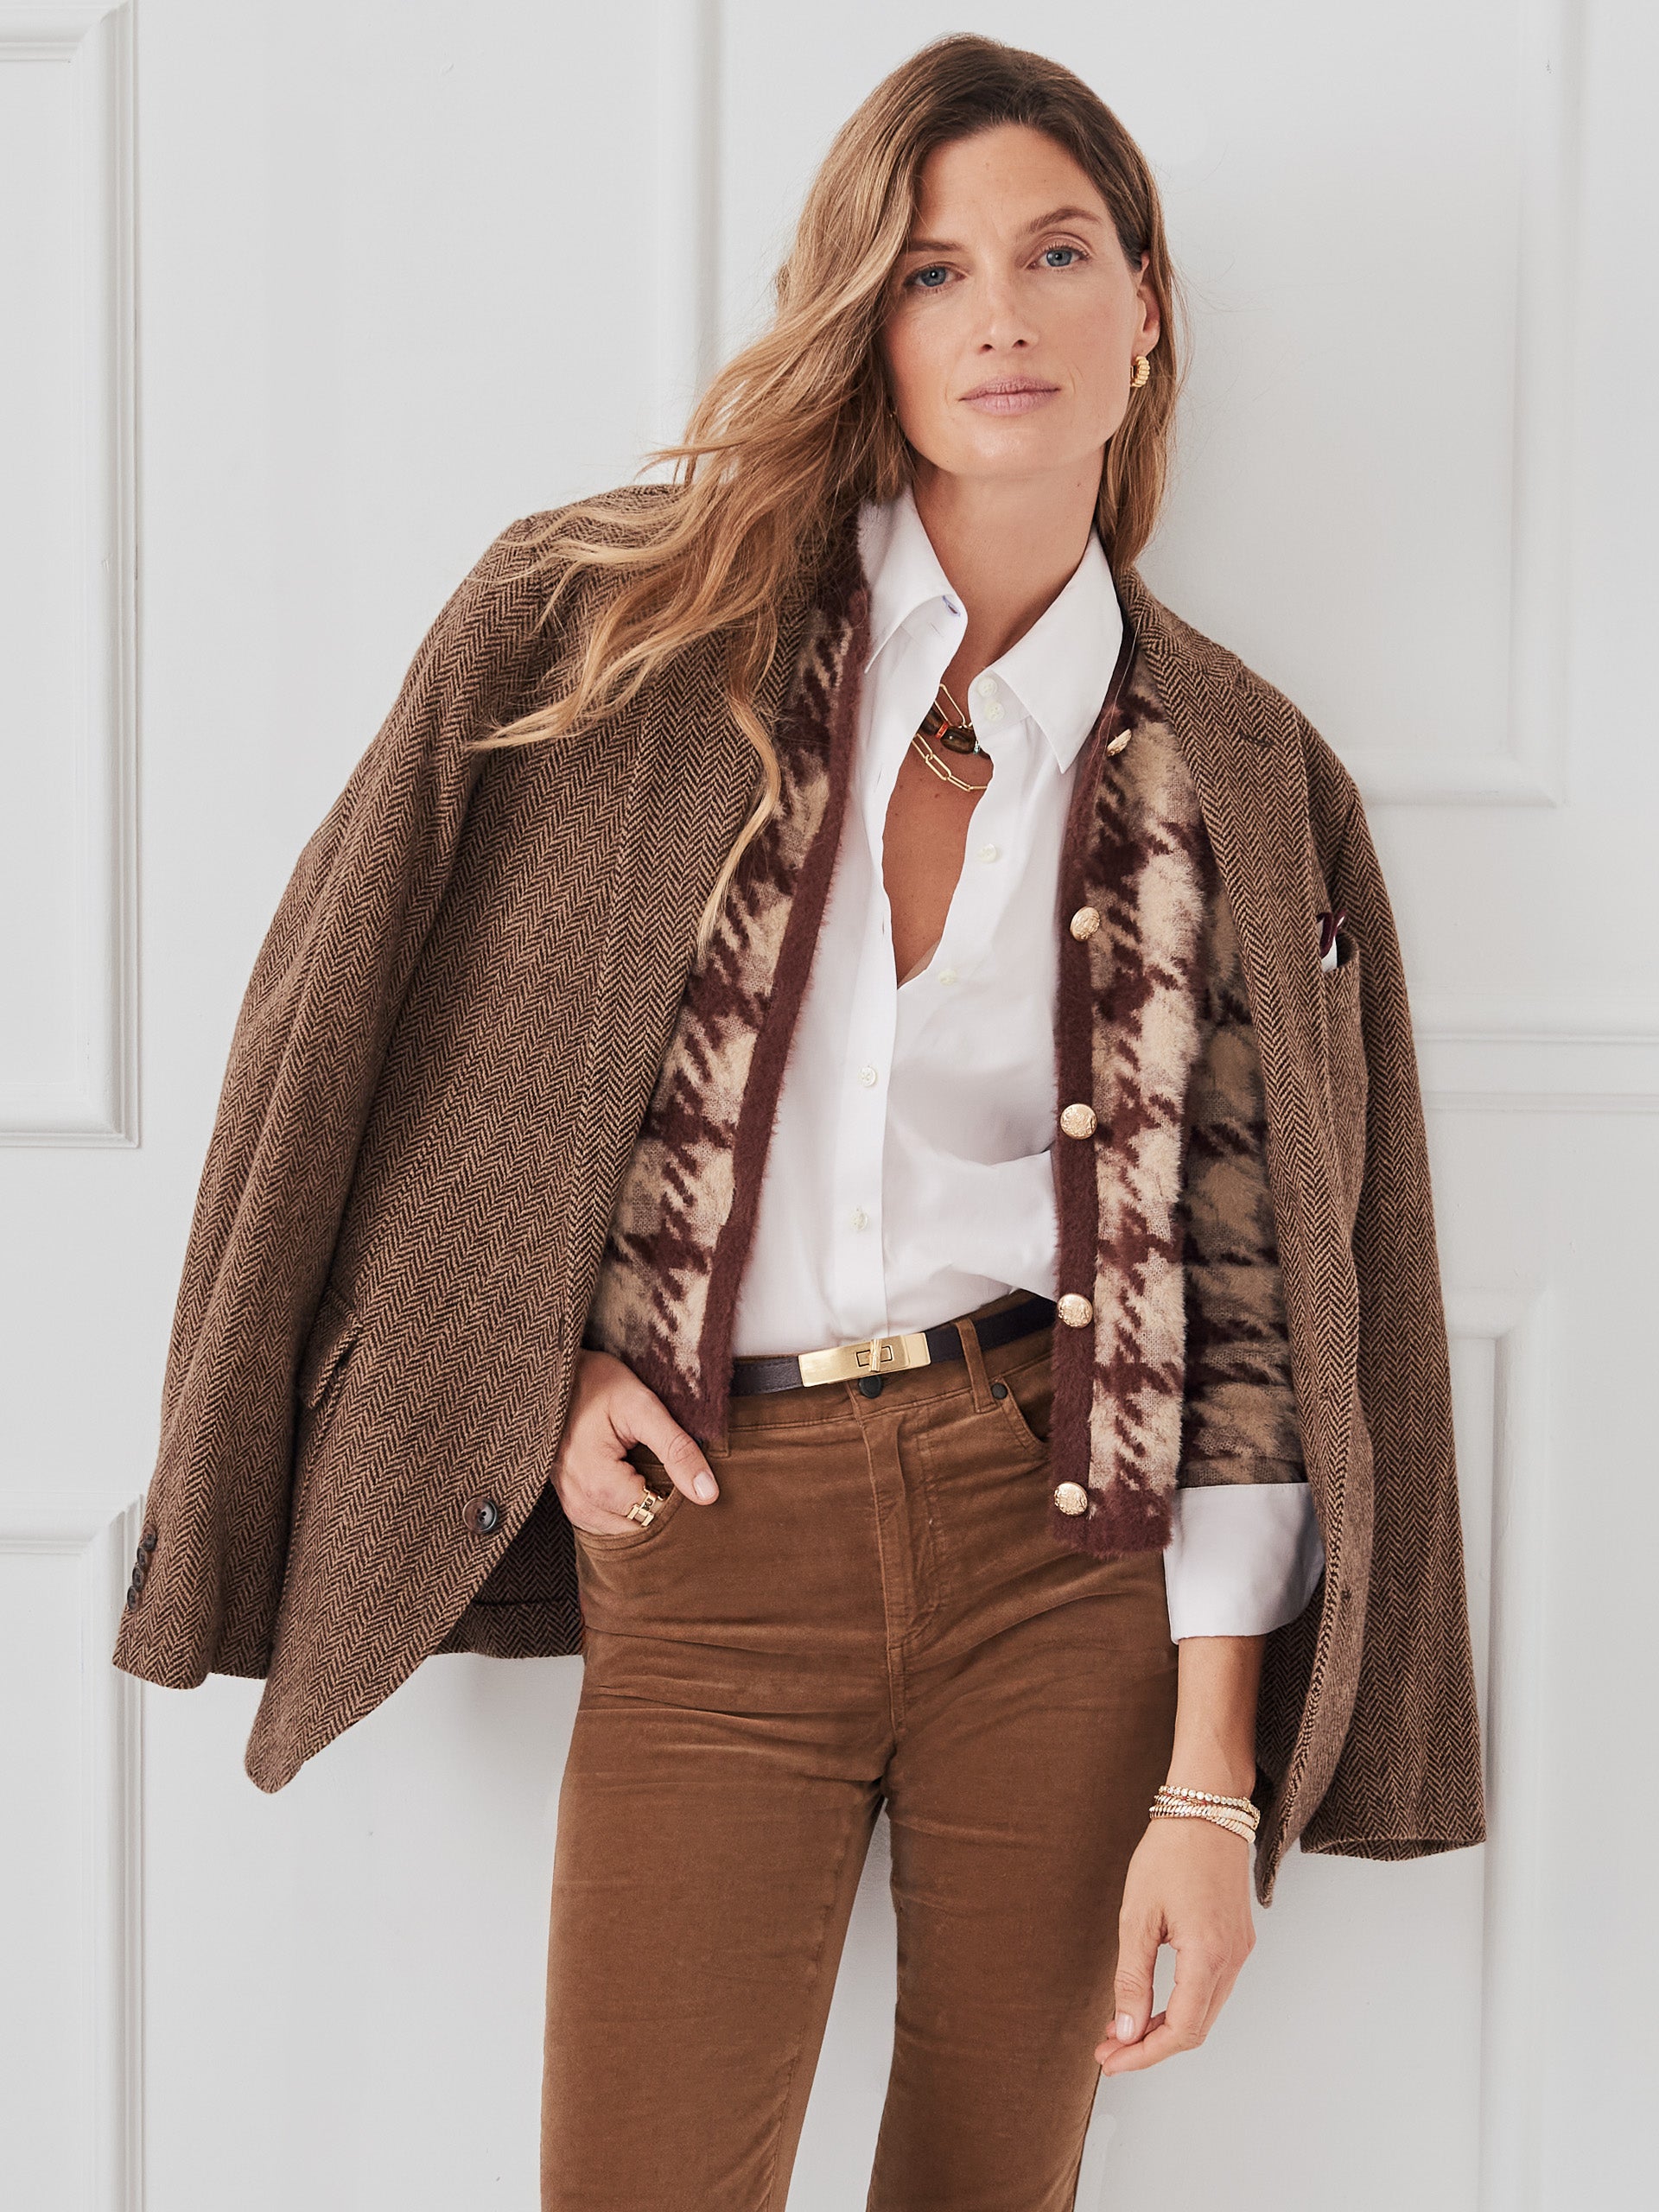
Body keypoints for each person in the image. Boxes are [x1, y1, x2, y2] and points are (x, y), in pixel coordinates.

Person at [113, 33, 1484, 2212]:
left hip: (1070, 1555)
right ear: (872, 319)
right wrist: (536, 1370)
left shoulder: (1236, 763)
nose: (1002, 315)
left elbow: (1250, 1305)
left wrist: (1211, 1786)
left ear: (1145, 309)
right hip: (715, 1534)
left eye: (1057, 254)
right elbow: (373, 1041)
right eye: (936, 271)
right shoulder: (630, 634)